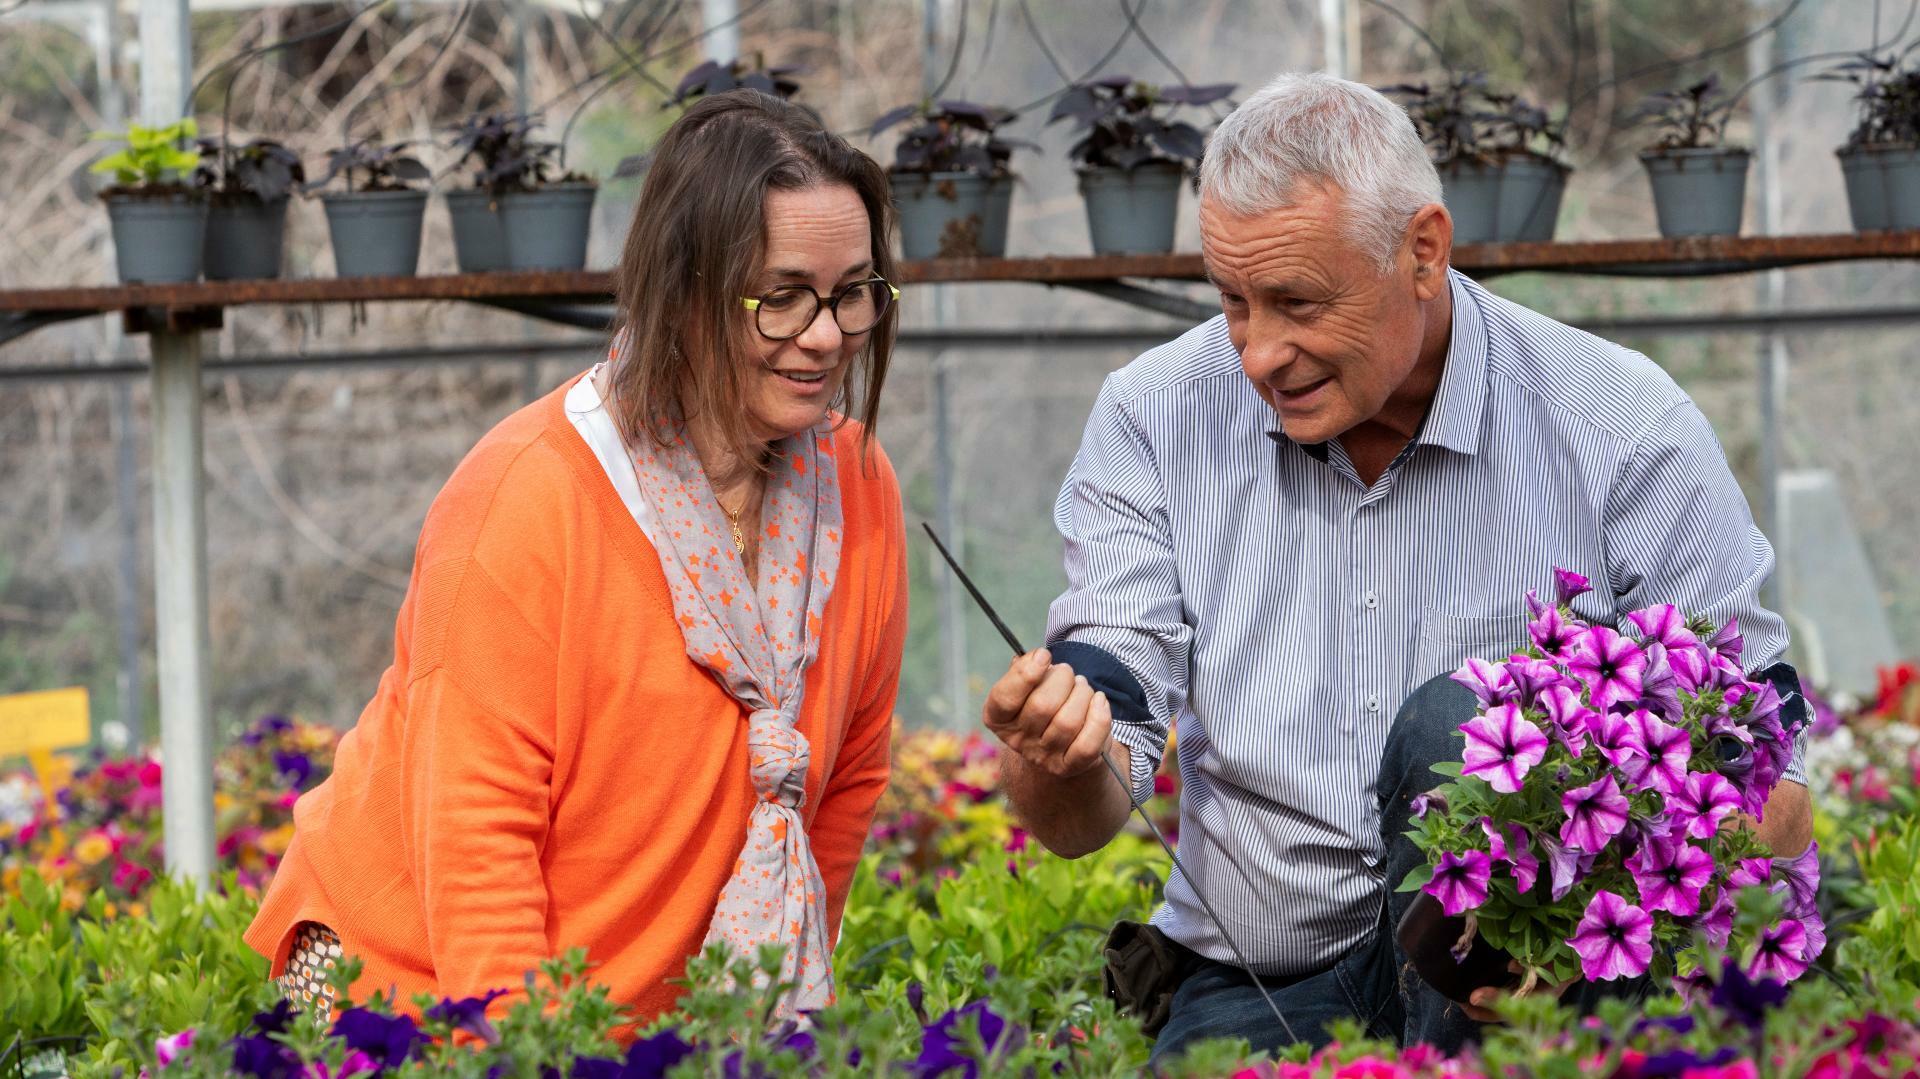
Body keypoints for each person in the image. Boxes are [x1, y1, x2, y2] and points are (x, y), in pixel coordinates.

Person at [980, 72, 1813, 1064]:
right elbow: (1087, 793)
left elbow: (1768, 783)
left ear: (1424, 251)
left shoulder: (1622, 432)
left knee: (1458, 723)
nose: (1256, 354)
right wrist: (1058, 753)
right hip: (1263, 982)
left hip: (1530, 978)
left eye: (1297, 301)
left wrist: (1601, 923)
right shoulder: (1155, 417)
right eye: (1233, 300)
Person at [245, 90, 910, 1025]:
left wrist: (755, 1019)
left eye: (853, 293)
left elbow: (844, 783)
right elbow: (476, 838)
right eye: (783, 296)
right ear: (684, 294)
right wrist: (533, 1051)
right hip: (407, 980)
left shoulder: (859, 489)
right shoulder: (527, 496)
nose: (827, 334)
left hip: (628, 1010)